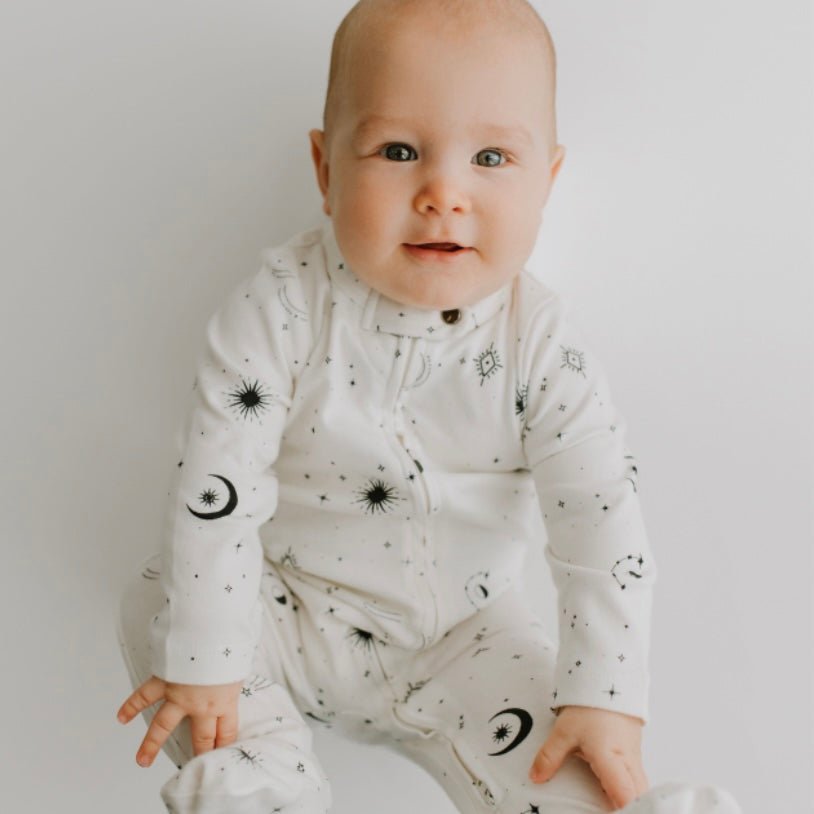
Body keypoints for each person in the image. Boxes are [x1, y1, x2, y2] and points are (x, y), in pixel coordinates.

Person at [115, 1, 743, 812]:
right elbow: (217, 480)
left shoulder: (542, 343)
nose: (444, 192)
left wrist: (607, 692)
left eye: (490, 157)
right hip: (285, 609)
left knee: (567, 762)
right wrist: (206, 656)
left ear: (547, 181)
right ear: (326, 168)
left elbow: (600, 514)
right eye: (399, 151)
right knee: (166, 597)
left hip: (465, 637)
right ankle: (263, 783)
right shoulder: (278, 307)